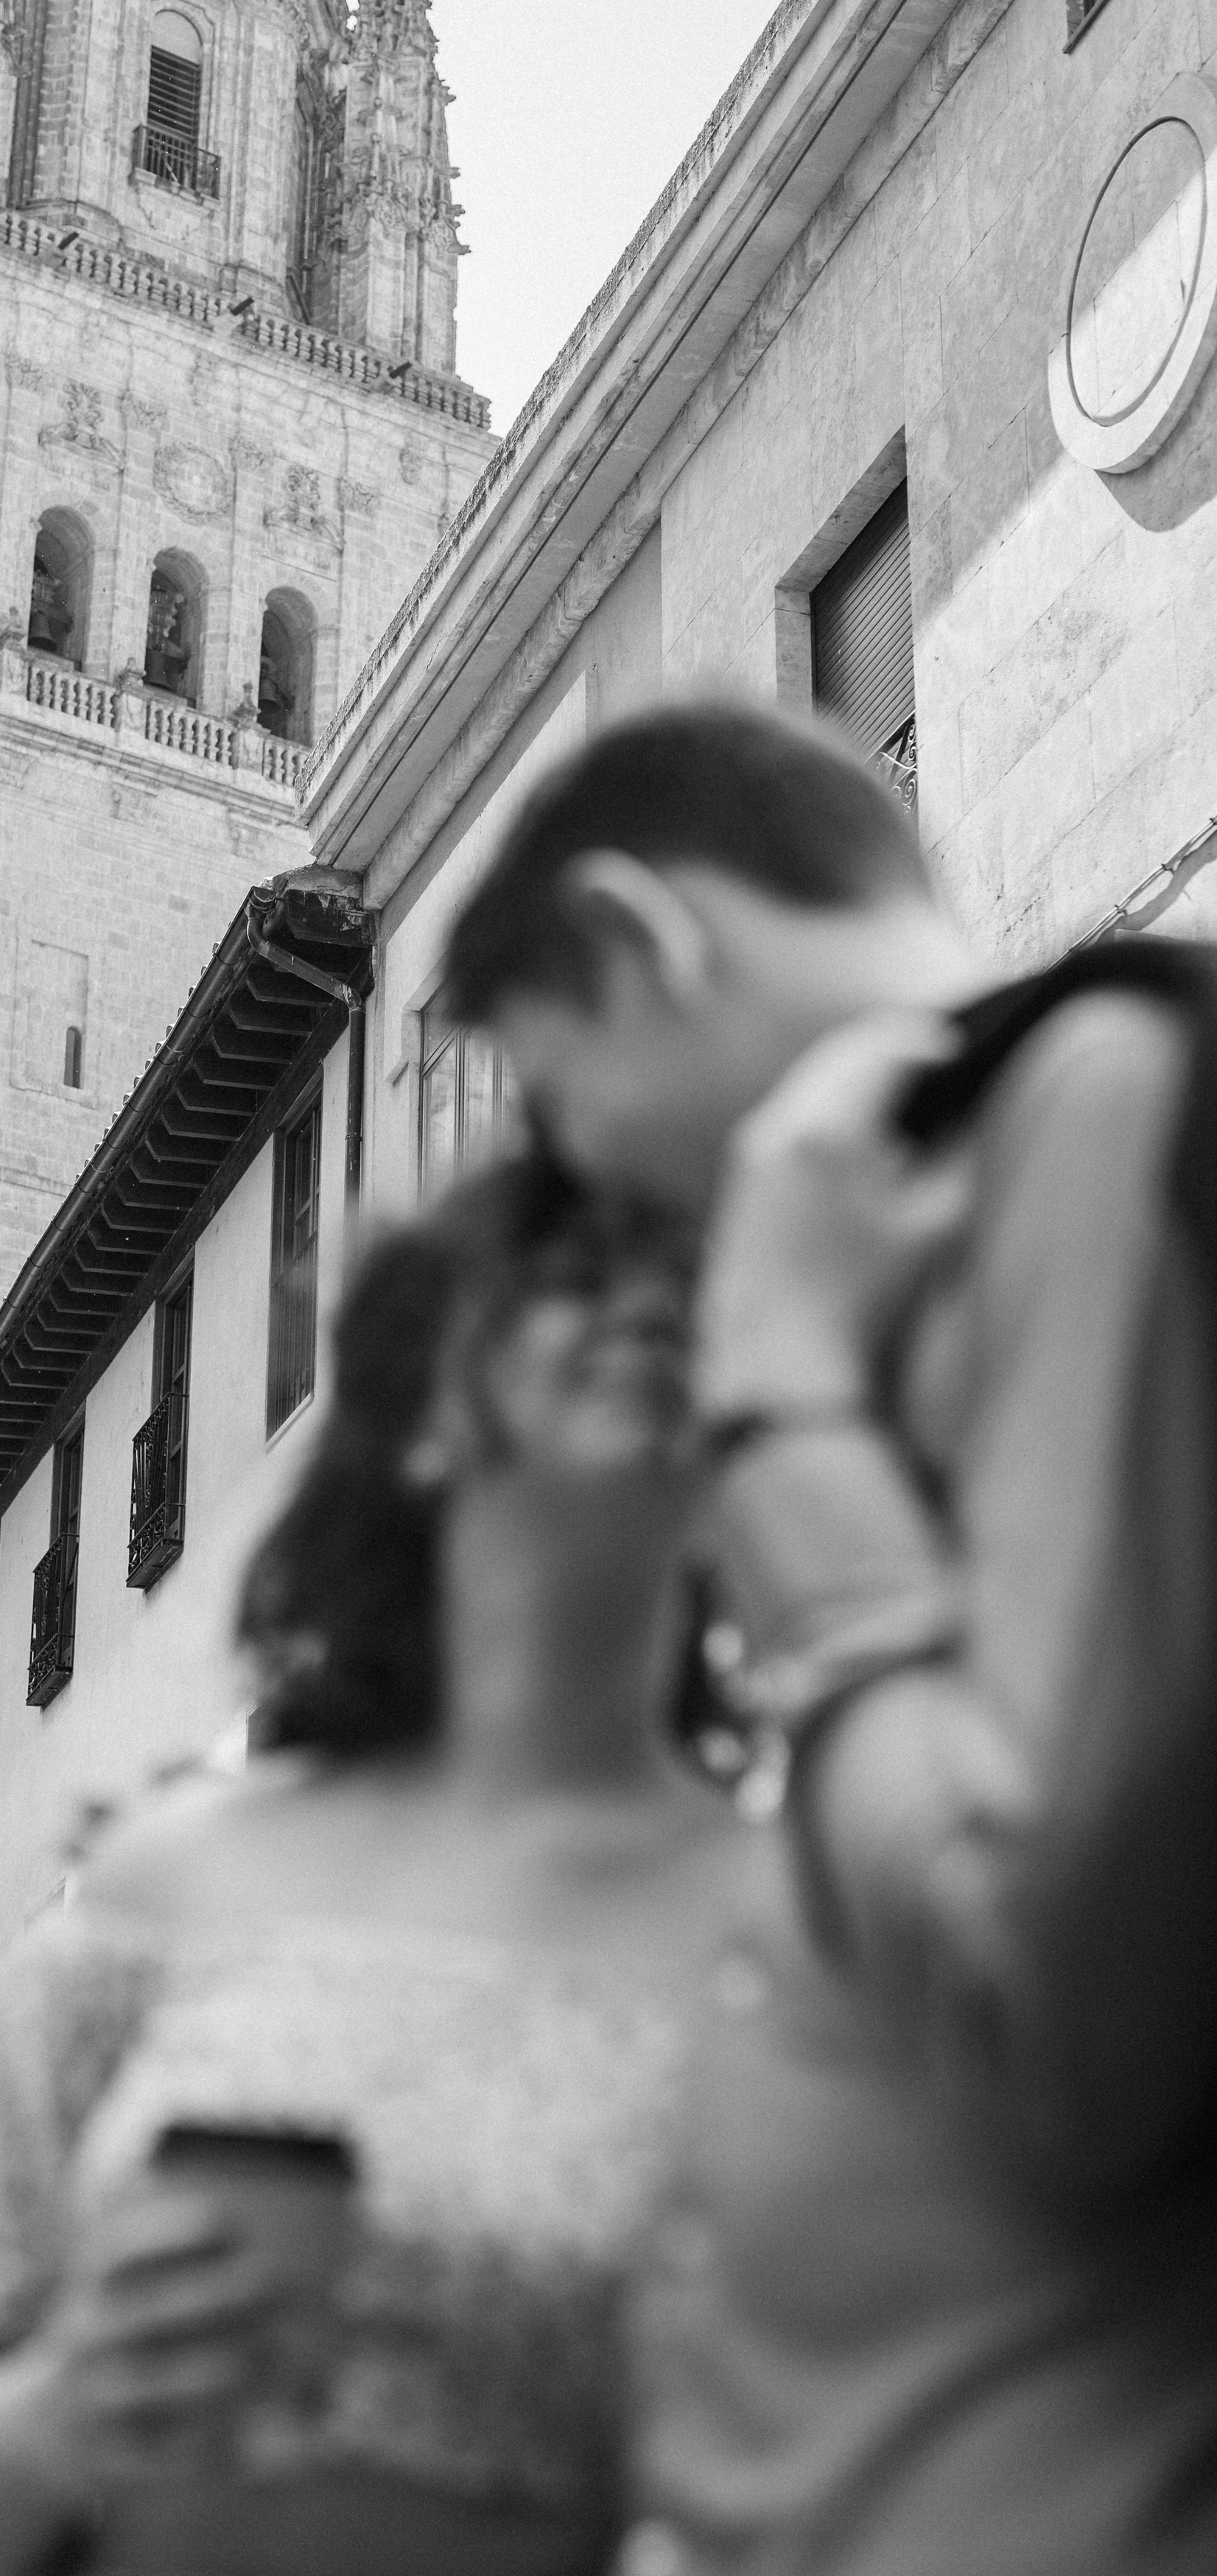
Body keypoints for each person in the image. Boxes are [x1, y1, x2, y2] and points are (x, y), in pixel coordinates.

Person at [443, 699, 1217, 2575]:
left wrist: (780, 1404)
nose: (601, 1204)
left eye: (565, 1111)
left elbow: (1057, 2008)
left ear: (640, 946)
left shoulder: (1090, 1104)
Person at [0, 1157, 748, 2576]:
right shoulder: (169, 1885)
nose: (647, 1311)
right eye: (570, 1279)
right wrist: (66, 2405)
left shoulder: (809, 1927)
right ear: (418, 1417)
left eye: (696, 1301)